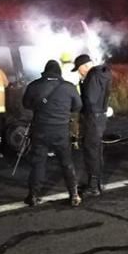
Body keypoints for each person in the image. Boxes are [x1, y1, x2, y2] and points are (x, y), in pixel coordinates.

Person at [22, 60, 83, 207]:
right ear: (59, 72)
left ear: (45, 71)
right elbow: (78, 106)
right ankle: (74, 195)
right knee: (66, 162)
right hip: (61, 130)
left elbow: (26, 104)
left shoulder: (34, 85)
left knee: (38, 163)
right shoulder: (68, 87)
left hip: (40, 130)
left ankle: (33, 195)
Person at [73, 53, 112, 196]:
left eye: (79, 69)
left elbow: (90, 99)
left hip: (92, 118)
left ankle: (93, 186)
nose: (79, 72)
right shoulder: (103, 74)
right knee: (96, 150)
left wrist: (80, 104)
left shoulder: (92, 76)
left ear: (85, 66)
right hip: (100, 117)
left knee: (91, 151)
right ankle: (96, 182)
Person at [60, 52, 82, 149]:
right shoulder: (75, 69)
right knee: (74, 120)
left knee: (63, 121)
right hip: (75, 98)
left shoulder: (60, 69)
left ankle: (64, 142)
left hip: (64, 99)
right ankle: (75, 142)